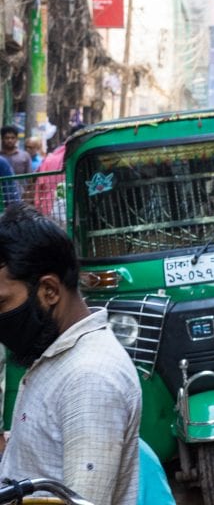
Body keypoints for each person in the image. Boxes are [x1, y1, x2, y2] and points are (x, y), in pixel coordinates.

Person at [0, 202, 142, 505]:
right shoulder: (59, 355)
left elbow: (85, 500)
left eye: (1, 304)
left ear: (49, 290)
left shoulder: (89, 378)